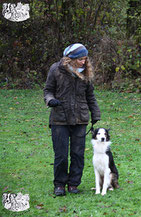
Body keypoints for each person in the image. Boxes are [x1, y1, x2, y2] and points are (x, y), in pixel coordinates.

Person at [44, 43, 101, 196]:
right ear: (72, 59)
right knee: (61, 155)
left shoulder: (86, 73)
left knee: (78, 154)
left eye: (85, 59)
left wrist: (95, 114)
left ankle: (74, 184)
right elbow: (48, 90)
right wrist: (50, 100)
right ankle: (60, 185)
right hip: (59, 119)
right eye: (81, 59)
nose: (84, 62)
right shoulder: (56, 70)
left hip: (80, 119)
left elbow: (90, 96)